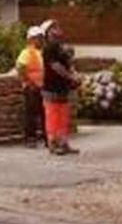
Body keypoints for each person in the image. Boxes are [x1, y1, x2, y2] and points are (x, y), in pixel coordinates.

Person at [40, 19, 79, 155]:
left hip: (63, 87)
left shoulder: (60, 47)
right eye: (53, 27)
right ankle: (53, 143)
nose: (57, 29)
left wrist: (73, 73)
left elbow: (68, 63)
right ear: (48, 33)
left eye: (57, 26)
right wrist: (70, 76)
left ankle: (63, 143)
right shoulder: (49, 48)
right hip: (51, 86)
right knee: (53, 116)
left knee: (63, 116)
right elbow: (55, 66)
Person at [15, 25, 45, 147]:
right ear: (31, 39)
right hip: (31, 88)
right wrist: (29, 83)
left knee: (44, 114)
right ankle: (30, 139)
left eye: (41, 38)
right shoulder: (27, 52)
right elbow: (21, 68)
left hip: (42, 87)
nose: (40, 40)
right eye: (38, 38)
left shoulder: (42, 52)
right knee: (31, 114)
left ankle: (47, 137)